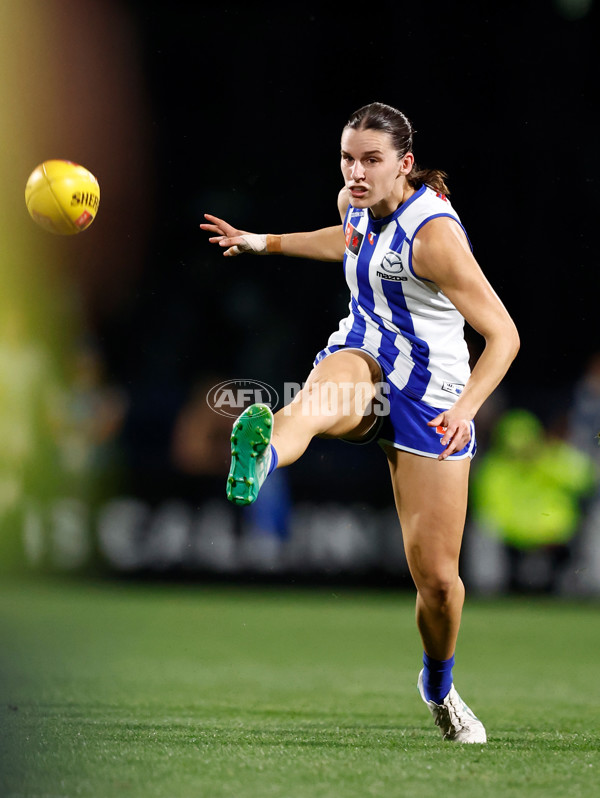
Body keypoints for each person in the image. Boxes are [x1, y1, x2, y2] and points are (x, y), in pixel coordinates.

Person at [200, 102, 520, 743]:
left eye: (371, 159)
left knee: (438, 584)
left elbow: (504, 335)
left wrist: (465, 409)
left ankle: (439, 683)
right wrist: (262, 241)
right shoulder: (355, 202)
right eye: (348, 157)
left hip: (434, 396)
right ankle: (260, 458)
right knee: (312, 403)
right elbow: (341, 238)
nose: (355, 170)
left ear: (404, 164)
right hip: (366, 362)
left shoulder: (433, 236)